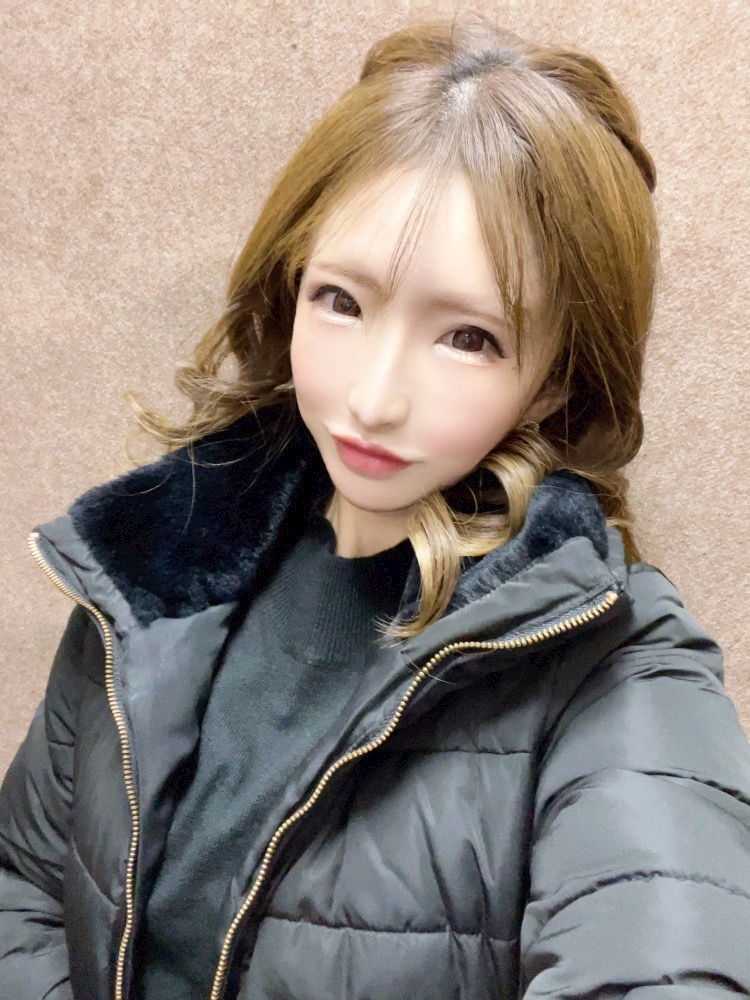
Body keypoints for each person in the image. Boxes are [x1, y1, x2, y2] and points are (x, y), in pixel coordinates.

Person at [1, 14, 749, 1000]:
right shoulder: (151, 563)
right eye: (342, 301)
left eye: (470, 337)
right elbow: (24, 886)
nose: (374, 396)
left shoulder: (614, 661)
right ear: (289, 290)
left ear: (555, 383)